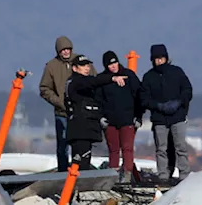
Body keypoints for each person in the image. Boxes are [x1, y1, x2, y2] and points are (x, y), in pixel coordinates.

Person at [38, 36, 94, 172]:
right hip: (62, 113)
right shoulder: (51, 66)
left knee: (81, 143)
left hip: (81, 112)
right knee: (63, 145)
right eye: (63, 50)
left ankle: (81, 171)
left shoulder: (82, 61)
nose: (65, 52)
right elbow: (44, 89)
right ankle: (63, 173)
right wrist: (59, 102)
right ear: (58, 51)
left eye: (68, 49)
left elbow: (94, 80)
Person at [139, 44, 193, 185]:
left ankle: (184, 175)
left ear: (166, 58)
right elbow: (144, 98)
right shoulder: (148, 77)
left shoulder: (177, 72)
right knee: (161, 149)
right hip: (159, 119)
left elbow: (187, 90)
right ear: (152, 60)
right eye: (156, 58)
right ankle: (163, 175)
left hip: (178, 117)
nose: (159, 61)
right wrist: (157, 106)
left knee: (180, 147)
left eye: (161, 58)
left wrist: (179, 102)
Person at [64, 54, 129, 169]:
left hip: (86, 128)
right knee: (80, 162)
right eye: (83, 65)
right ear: (75, 68)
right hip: (79, 130)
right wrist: (112, 78)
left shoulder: (82, 82)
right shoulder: (76, 82)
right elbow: (92, 81)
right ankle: (77, 184)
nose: (87, 68)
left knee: (84, 160)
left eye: (88, 65)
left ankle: (81, 183)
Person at [98, 50, 142, 182]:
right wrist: (100, 117)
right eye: (110, 64)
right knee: (113, 150)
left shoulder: (129, 76)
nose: (113, 66)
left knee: (127, 149)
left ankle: (127, 176)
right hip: (110, 121)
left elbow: (139, 96)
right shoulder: (103, 79)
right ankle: (114, 177)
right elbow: (98, 99)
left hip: (128, 119)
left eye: (115, 63)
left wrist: (138, 116)